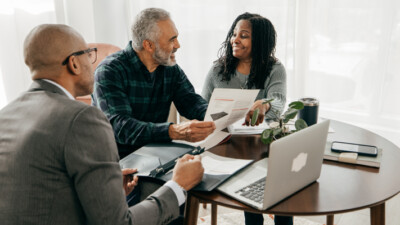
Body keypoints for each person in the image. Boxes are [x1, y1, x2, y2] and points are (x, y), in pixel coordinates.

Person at [0, 24, 204, 225]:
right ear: (74, 63)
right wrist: (178, 185)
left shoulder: (6, 115)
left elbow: (45, 189)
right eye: (89, 54)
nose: (93, 62)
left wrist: (106, 190)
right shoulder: (83, 118)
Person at [202, 13, 292, 225]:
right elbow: (201, 105)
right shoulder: (217, 69)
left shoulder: (274, 69)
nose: (235, 40)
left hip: (262, 144)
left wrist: (265, 103)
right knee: (249, 197)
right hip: (226, 144)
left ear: (259, 41)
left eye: (244, 35)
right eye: (234, 34)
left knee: (283, 187)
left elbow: (279, 102)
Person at [92, 8, 216, 158]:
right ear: (149, 45)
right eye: (172, 39)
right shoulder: (109, 71)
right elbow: (121, 128)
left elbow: (191, 102)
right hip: (116, 161)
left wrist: (220, 116)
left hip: (154, 154)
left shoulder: (171, 69)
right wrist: (173, 131)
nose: (178, 45)